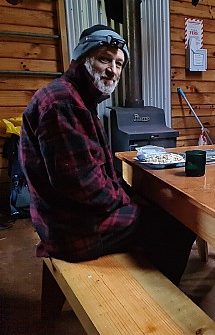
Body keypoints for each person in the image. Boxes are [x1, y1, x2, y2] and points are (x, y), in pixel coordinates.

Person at [19, 24, 196, 285]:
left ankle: (149, 269)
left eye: (119, 64)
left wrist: (128, 195)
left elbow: (95, 173)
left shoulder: (77, 98)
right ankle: (157, 299)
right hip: (74, 230)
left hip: (66, 216)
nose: (113, 70)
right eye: (104, 59)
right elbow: (81, 185)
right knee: (179, 223)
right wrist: (129, 202)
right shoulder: (63, 103)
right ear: (82, 58)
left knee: (153, 207)